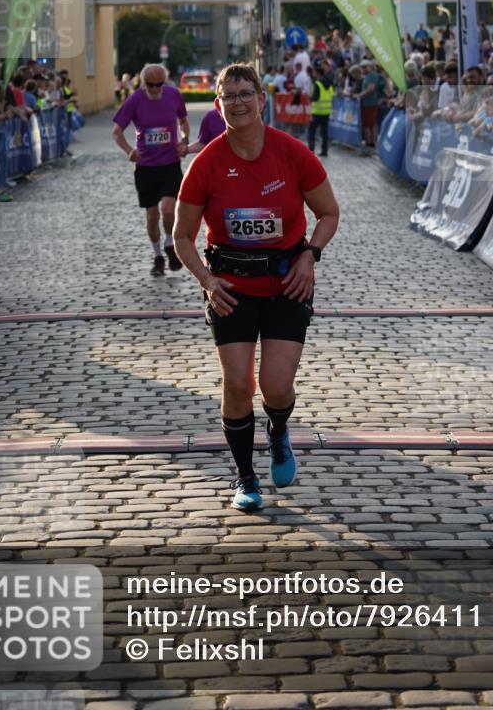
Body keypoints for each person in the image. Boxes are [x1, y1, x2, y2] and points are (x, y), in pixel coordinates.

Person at [173, 63, 339, 512]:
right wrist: (207, 281)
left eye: (247, 93)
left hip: (288, 283)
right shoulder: (206, 163)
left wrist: (310, 254)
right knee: (239, 385)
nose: (239, 102)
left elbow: (329, 213)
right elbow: (182, 236)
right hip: (232, 288)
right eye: (230, 96)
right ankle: (246, 478)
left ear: (261, 99)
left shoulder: (291, 153)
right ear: (218, 105)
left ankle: (279, 429)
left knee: (276, 385)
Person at [112, 63, 190, 276]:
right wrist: (129, 151)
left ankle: (169, 243)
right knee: (152, 216)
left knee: (167, 209)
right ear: (143, 83)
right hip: (146, 167)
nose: (155, 89)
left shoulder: (174, 95)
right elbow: (117, 131)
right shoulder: (135, 99)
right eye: (151, 85)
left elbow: (184, 122)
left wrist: (184, 140)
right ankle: (157, 256)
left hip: (170, 164)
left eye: (159, 84)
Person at [307, 65, 334, 157]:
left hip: (317, 112)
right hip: (326, 112)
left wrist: (310, 98)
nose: (313, 74)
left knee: (311, 132)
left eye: (314, 72)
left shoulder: (318, 84)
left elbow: (316, 97)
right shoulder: (329, 83)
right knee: (324, 133)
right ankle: (324, 150)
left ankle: (310, 151)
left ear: (318, 73)